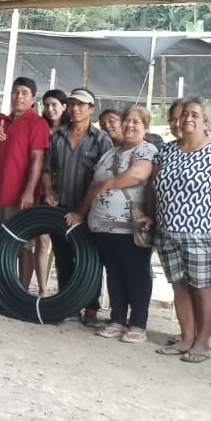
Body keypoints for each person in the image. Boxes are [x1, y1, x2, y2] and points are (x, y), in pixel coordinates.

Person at [144, 97, 211, 364]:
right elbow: (153, 186)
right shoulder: (167, 151)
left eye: (195, 114)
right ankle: (186, 338)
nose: (188, 118)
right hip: (167, 231)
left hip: (201, 233)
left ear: (206, 122)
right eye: (184, 114)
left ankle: (202, 343)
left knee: (202, 287)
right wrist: (150, 215)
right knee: (179, 286)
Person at [67, 106, 157, 343]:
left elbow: (138, 174)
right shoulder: (110, 152)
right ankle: (117, 319)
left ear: (146, 128)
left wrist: (107, 185)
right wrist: (81, 213)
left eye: (137, 122)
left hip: (130, 226)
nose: (130, 125)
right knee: (114, 273)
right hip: (102, 226)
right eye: (127, 120)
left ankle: (138, 324)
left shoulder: (146, 149)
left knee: (136, 273)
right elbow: (93, 186)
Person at [47, 88, 113, 325]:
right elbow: (47, 169)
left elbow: (102, 180)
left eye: (81, 105)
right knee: (63, 257)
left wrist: (82, 212)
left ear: (91, 109)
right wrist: (48, 192)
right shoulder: (57, 137)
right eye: (73, 104)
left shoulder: (102, 141)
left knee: (89, 260)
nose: (76, 109)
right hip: (61, 207)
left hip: (90, 211)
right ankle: (68, 305)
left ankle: (91, 309)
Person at [0, 76, 51, 295]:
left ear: (33, 99)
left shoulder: (37, 123)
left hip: (21, 196)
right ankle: (1, 292)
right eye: (15, 92)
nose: (18, 96)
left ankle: (20, 294)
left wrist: (29, 191)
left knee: (22, 245)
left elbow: (37, 159)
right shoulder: (2, 121)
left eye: (24, 93)